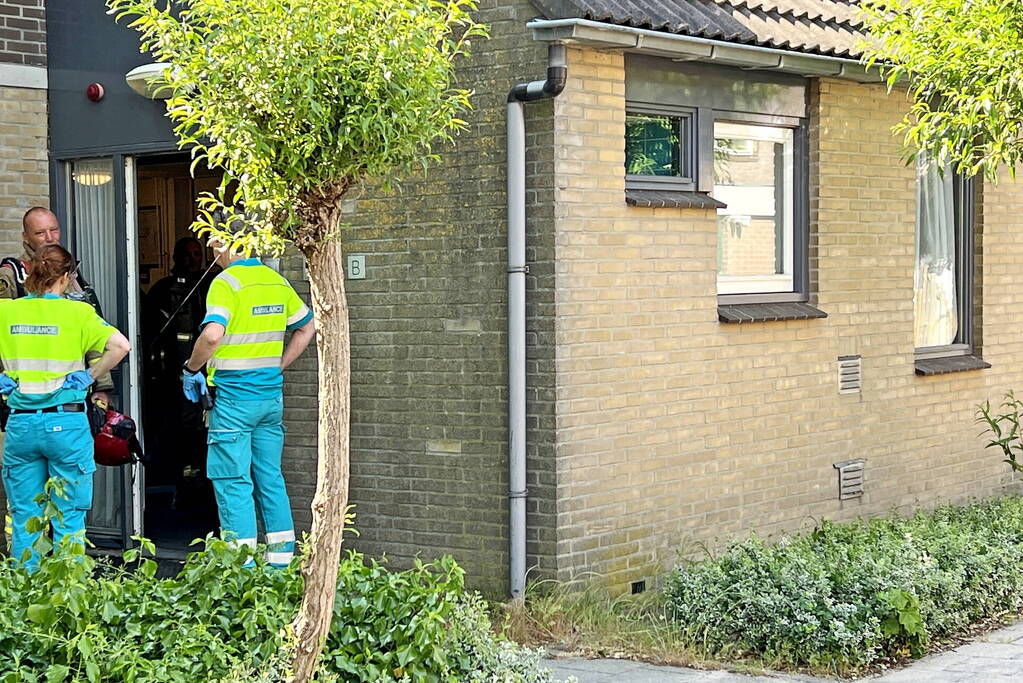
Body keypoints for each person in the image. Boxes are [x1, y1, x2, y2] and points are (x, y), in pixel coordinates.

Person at [182, 239, 315, 568]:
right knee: (270, 479)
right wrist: (279, 365)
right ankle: (280, 566)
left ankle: (242, 571)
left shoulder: (226, 282)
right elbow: (307, 326)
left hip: (234, 401)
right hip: (270, 398)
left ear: (222, 244)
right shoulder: (275, 281)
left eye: (213, 243)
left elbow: (212, 335)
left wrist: (191, 369)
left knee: (233, 482)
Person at [0, 245, 130, 567]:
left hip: (21, 425)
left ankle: (24, 592)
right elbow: (120, 346)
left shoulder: (7, 311)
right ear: (68, 276)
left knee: (25, 518)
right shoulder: (79, 313)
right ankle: (67, 591)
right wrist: (90, 376)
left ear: (31, 272)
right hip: (67, 426)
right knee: (69, 518)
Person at [1, 207, 113, 408]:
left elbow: (91, 336)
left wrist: (101, 386)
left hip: (71, 394)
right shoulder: (12, 275)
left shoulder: (69, 271)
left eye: (54, 230)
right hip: (24, 398)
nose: (50, 238)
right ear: (25, 237)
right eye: (40, 233)